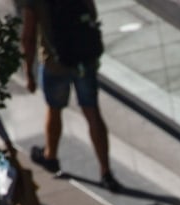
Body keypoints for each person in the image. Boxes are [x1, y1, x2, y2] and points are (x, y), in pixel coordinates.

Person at [18, 0, 122, 192]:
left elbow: (28, 36)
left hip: (54, 63)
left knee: (54, 109)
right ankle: (106, 172)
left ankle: (51, 156)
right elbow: (92, 13)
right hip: (84, 61)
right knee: (92, 113)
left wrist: (28, 74)